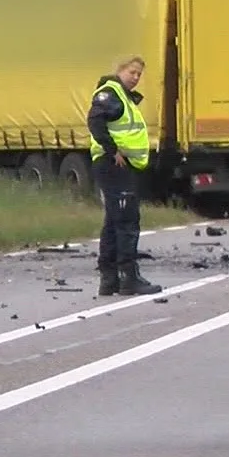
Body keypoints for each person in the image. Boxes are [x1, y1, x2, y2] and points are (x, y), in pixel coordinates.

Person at [86, 55, 162, 297]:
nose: (136, 77)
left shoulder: (123, 98)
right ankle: (129, 278)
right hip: (114, 165)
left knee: (113, 221)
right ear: (119, 71)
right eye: (132, 72)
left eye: (139, 74)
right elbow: (94, 121)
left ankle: (110, 280)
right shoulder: (111, 94)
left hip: (121, 166)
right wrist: (112, 150)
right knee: (127, 222)